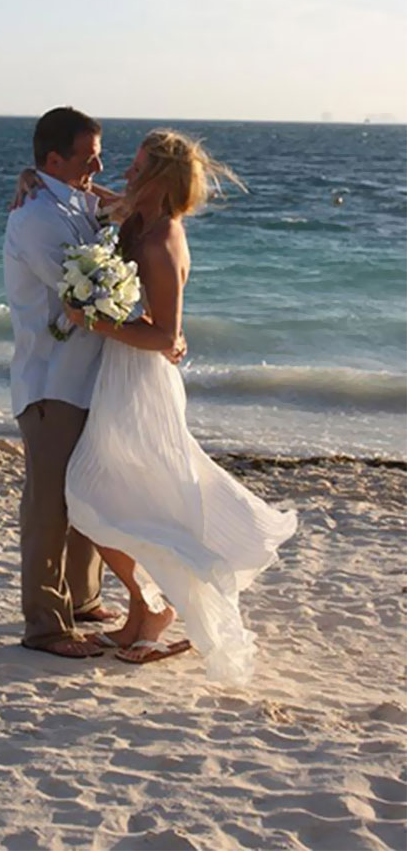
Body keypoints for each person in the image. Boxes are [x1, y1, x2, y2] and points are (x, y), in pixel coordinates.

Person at [63, 129, 298, 683]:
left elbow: (166, 335)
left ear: (159, 179)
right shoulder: (135, 217)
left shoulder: (163, 239)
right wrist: (34, 178)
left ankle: (160, 605)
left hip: (142, 381)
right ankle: (145, 610)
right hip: (118, 375)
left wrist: (93, 319)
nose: (125, 173)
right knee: (111, 496)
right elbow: (94, 195)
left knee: (96, 495)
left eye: (137, 166)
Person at [3, 107, 122, 659]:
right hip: (50, 381)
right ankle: (45, 626)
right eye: (87, 155)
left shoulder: (77, 198)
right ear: (53, 159)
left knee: (87, 492)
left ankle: (82, 599)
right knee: (48, 506)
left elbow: (122, 209)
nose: (98, 163)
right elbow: (83, 294)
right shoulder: (34, 218)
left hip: (88, 377)